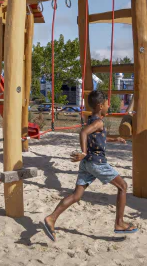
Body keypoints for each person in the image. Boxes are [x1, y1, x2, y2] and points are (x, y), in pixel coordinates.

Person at [42, 89, 138, 241]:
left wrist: (115, 140)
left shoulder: (92, 119)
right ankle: (119, 223)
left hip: (87, 164)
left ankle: (51, 218)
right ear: (100, 106)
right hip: (96, 162)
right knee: (123, 187)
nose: (108, 106)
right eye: (106, 104)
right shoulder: (98, 122)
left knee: (76, 195)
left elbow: (98, 138)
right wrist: (84, 152)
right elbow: (83, 133)